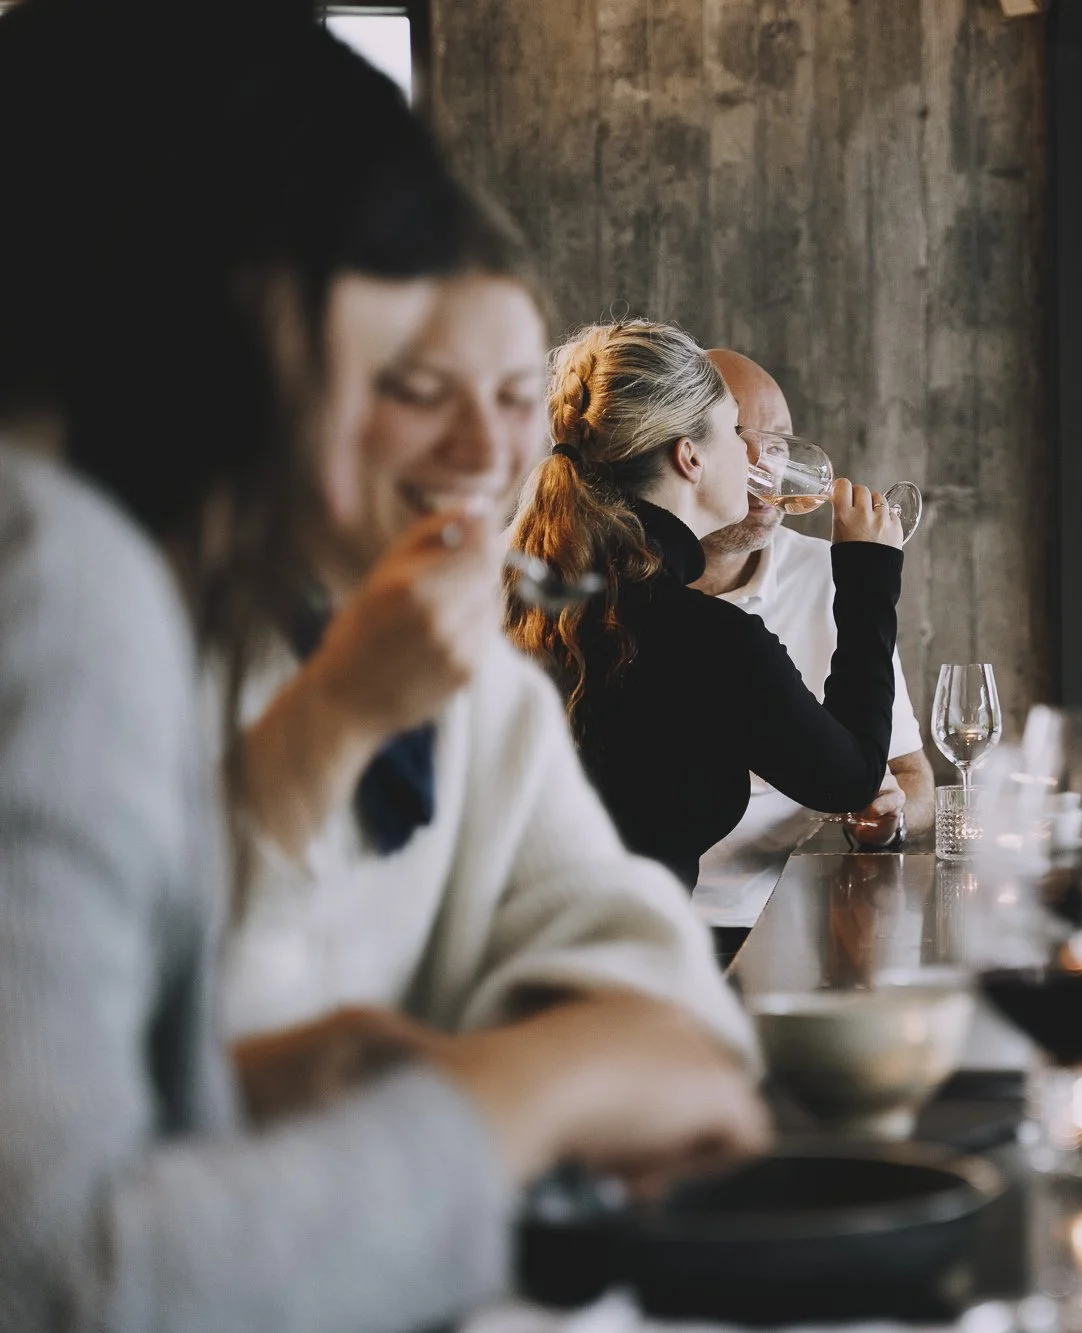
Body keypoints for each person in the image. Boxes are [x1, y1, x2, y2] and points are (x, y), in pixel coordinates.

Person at [0, 8, 767, 1331]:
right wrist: (518, 1094)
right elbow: (73, 1270)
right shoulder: (61, 574)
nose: (476, 444)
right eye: (402, 372)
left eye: (516, 391)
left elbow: (673, 1026)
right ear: (234, 306)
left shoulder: (463, 678)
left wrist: (304, 1082)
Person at [219, 204, 755, 1068]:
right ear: (309, 400)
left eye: (512, 397)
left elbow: (624, 934)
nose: (480, 449)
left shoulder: (483, 680)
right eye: (421, 390)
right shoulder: (175, 655)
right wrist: (339, 713)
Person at [507, 321, 906, 890]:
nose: (754, 458)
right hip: (623, 965)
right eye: (733, 432)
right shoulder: (706, 637)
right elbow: (850, 779)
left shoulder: (526, 600)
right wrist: (869, 576)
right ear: (690, 457)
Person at [687, 349, 936, 925]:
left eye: (778, 448)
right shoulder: (606, 589)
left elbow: (910, 775)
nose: (767, 470)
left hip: (793, 918)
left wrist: (890, 818)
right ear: (685, 453)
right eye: (742, 443)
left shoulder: (836, 575)